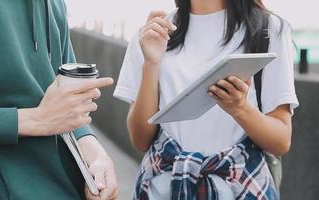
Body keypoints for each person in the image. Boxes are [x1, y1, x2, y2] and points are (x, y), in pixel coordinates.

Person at [114, 0, 299, 199]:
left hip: (241, 191)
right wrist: (151, 63)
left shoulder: (269, 29)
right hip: (161, 191)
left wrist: (240, 108)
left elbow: (281, 141)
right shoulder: (154, 32)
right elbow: (140, 140)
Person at [0, 0, 118, 199]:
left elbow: (67, 105)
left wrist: (95, 152)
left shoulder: (56, 3)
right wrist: (34, 120)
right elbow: (49, 116)